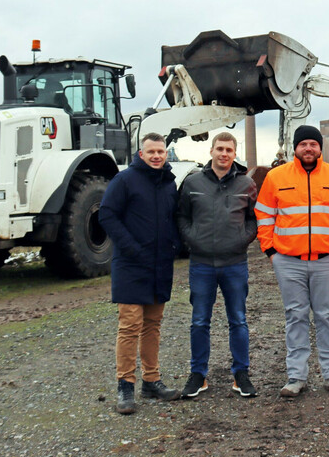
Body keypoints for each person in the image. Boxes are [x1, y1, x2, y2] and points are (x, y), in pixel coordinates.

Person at [255, 125, 329, 398]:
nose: (308, 148)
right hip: (288, 261)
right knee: (295, 316)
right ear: (295, 148)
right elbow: (264, 215)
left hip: (328, 260)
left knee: (326, 316)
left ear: (320, 148)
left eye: (313, 143)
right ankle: (296, 376)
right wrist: (271, 251)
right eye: (303, 144)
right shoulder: (276, 177)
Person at [99, 132, 182, 414]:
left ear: (166, 154)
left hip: (160, 264)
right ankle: (125, 386)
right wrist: (131, 248)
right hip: (131, 264)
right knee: (130, 325)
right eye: (152, 152)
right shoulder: (124, 180)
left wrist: (175, 245)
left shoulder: (169, 183)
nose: (157, 156)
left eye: (161, 151)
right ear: (141, 154)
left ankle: (151, 380)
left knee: (153, 325)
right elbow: (107, 214)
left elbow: (174, 218)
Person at [176, 132, 258, 399]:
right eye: (220, 149)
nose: (224, 154)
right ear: (211, 151)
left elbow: (253, 220)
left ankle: (241, 374)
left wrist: (241, 241)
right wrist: (193, 241)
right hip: (201, 264)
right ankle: (198, 375)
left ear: (235, 154)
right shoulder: (192, 183)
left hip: (234, 263)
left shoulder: (246, 184)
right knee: (199, 321)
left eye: (229, 150)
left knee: (238, 320)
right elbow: (182, 217)